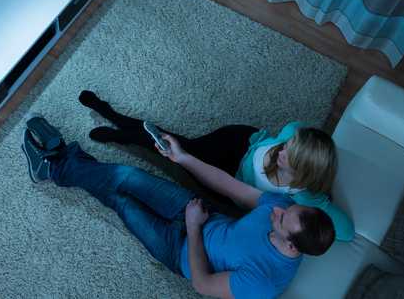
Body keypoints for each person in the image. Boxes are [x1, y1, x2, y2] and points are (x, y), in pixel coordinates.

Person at [20, 116, 336, 299]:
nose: (276, 212)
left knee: (121, 200)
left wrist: (195, 227)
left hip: (177, 250)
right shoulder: (283, 205)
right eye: (284, 210)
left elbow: (203, 284)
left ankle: (55, 164)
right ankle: (60, 164)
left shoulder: (263, 283)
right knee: (127, 176)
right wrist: (183, 158)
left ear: (290, 244)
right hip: (198, 211)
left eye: (282, 219)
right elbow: (229, 186)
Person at [76, 90, 355, 241]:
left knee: (175, 154)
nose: (282, 149)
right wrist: (306, 145)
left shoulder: (305, 197)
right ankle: (111, 113)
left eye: (289, 155)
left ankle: (119, 134)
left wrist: (320, 202)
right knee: (175, 144)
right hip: (238, 142)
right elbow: (295, 127)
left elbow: (346, 231)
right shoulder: (291, 135)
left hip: (232, 178)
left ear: (303, 174)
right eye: (287, 144)